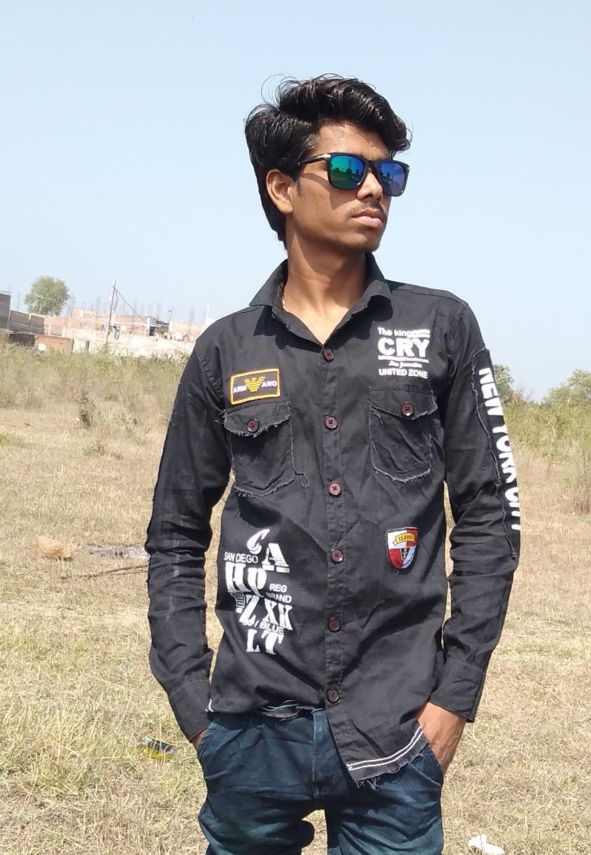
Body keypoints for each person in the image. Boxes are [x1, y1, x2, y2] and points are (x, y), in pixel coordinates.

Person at [146, 75, 520, 855]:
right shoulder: (225, 350)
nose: (374, 188)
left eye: (389, 173)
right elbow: (177, 529)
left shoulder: (441, 327)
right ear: (282, 188)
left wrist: (455, 697)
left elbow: (490, 515)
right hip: (252, 725)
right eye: (348, 170)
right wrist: (191, 699)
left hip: (398, 728)